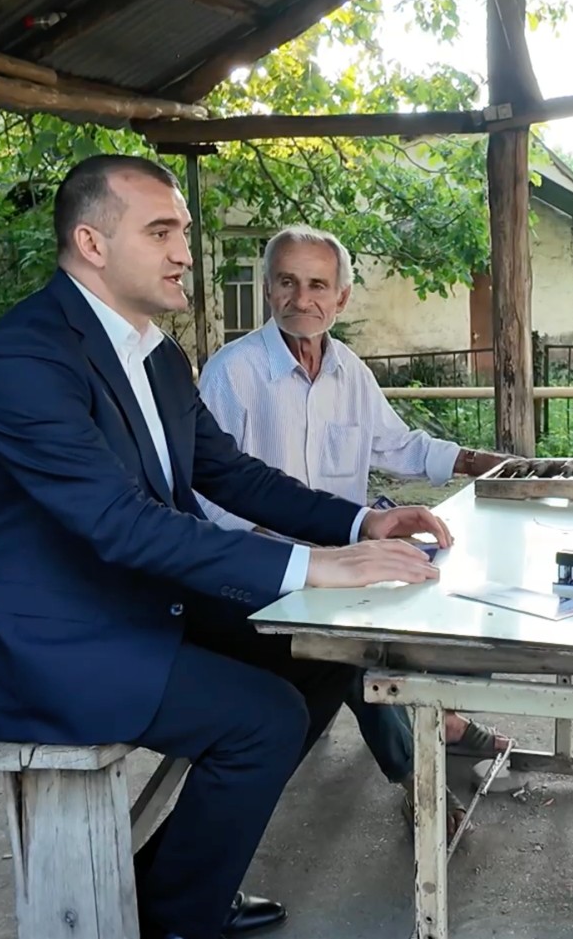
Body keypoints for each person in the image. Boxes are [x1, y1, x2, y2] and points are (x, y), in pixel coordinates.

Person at [0, 155, 453, 939]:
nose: (184, 252)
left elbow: (229, 472)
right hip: (55, 646)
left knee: (329, 648)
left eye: (182, 231)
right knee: (262, 718)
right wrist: (312, 563)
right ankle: (177, 919)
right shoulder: (24, 360)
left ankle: (166, 887)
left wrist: (359, 524)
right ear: (91, 242)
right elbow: (120, 522)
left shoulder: (156, 354)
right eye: (161, 232)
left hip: (142, 607)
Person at [195, 225, 514, 818]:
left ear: (341, 298)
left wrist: (483, 463)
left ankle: (439, 718)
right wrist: (301, 558)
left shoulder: (350, 372)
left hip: (346, 562)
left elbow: (399, 446)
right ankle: (419, 767)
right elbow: (205, 495)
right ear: (268, 290)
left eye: (318, 285)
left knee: (434, 588)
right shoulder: (231, 374)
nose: (302, 299)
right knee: (346, 643)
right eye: (288, 282)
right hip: (257, 572)